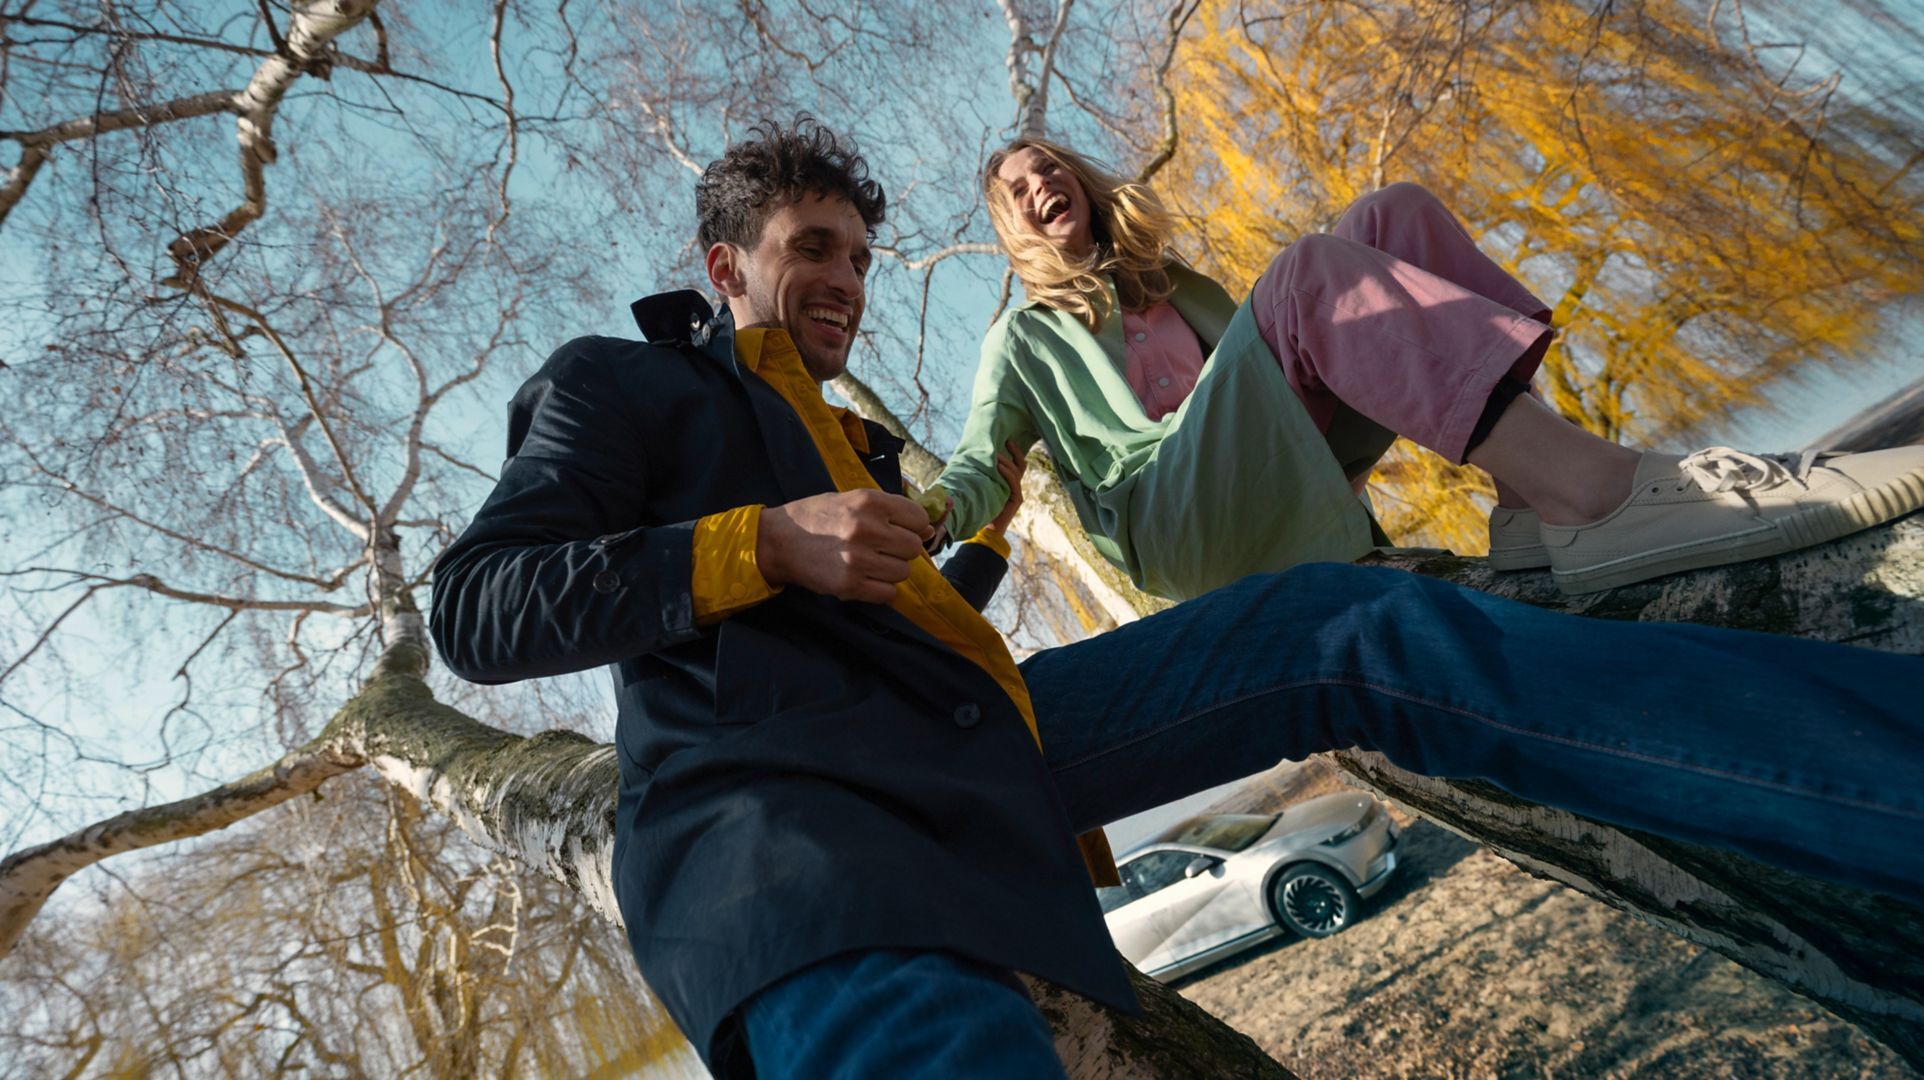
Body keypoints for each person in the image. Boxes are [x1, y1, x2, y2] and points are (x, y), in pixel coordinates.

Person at [429, 119, 1924, 1080]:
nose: (846, 282)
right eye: (813, 252)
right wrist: (763, 543)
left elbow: (937, 552)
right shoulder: (617, 385)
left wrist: (962, 557)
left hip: (982, 738)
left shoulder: (857, 432)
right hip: (792, 839)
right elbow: (483, 610)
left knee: (1354, 623)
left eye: (862, 260)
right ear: (723, 265)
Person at [929, 138, 1924, 601]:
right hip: (1184, 528)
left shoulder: (1181, 286)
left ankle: (1536, 502)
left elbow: (1279, 387)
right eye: (1018, 189)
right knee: (1312, 271)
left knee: (1390, 215)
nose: (1041, 184)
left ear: (1084, 182)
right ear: (1012, 232)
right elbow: (981, 463)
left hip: (1274, 473)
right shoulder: (1021, 342)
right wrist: (929, 512)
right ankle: (1603, 496)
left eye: (1050, 166)